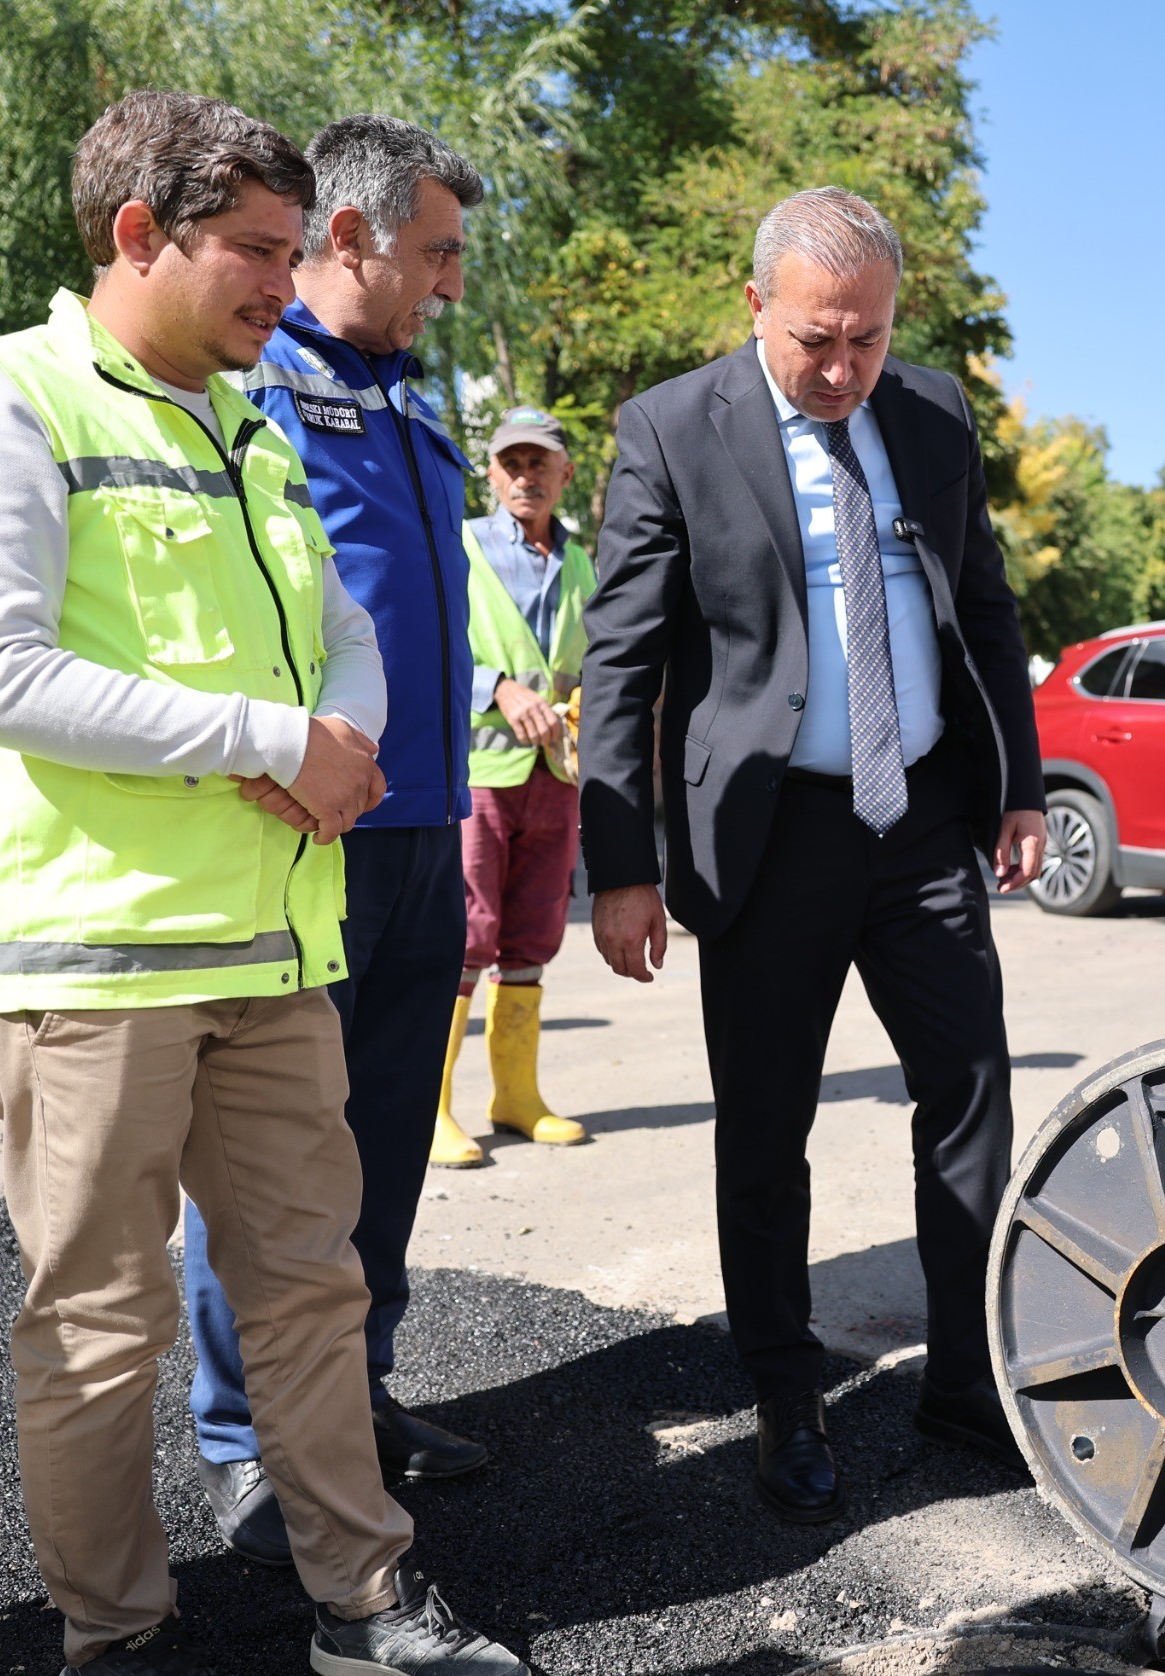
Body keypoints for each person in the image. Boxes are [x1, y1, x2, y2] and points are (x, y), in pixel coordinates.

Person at [0, 90, 527, 1676]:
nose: (279, 279)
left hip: (269, 941)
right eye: (251, 249)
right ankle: (117, 1650)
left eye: (293, 248)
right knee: (102, 1327)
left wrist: (347, 741)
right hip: (91, 955)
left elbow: (352, 628)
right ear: (134, 236)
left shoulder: (249, 425)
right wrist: (271, 741)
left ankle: (363, 1599)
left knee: (314, 1286)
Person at [581, 186, 1048, 1524]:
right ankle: (786, 1388)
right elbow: (620, 658)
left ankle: (966, 1377)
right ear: (756, 309)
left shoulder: (935, 415)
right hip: (770, 832)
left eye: (869, 340)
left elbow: (985, 600)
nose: (844, 370)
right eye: (816, 342)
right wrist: (622, 862)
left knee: (969, 1098)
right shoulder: (674, 430)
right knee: (768, 1122)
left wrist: (1013, 788)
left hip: (923, 826)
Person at [177, 112, 493, 1568]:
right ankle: (244, 1437)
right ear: (347, 236)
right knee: (271, 1158)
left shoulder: (421, 405)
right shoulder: (258, 386)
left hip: (431, 825)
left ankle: (353, 1394)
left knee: (381, 1140)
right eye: (432, 252)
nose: (447, 281)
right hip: (309, 831)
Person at [429, 406, 599, 1167]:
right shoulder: (459, 543)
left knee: (532, 935)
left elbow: (597, 660)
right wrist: (495, 688)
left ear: (565, 474)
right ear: (492, 474)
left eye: (541, 463)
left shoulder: (582, 561)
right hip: (480, 773)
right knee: (466, 934)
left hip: (554, 775)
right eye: (513, 463)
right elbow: (428, 637)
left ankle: (516, 1098)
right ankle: (430, 1108)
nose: (526, 476)